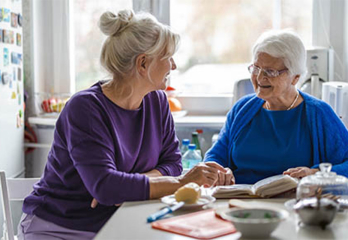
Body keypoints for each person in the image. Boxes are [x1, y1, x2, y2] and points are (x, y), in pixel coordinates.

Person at [19, 10, 228, 240]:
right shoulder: (85, 108)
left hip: (116, 221)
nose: (174, 65)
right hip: (58, 227)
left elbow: (172, 162)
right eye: (168, 56)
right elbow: (108, 188)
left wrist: (125, 187)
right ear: (143, 63)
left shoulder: (157, 102)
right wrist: (180, 183)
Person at [204, 29, 348, 185]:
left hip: (294, 207)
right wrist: (219, 171)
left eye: (270, 71)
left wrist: (316, 174)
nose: (260, 77)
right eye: (256, 68)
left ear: (295, 78)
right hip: (239, 203)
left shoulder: (318, 113)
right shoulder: (242, 109)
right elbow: (215, 157)